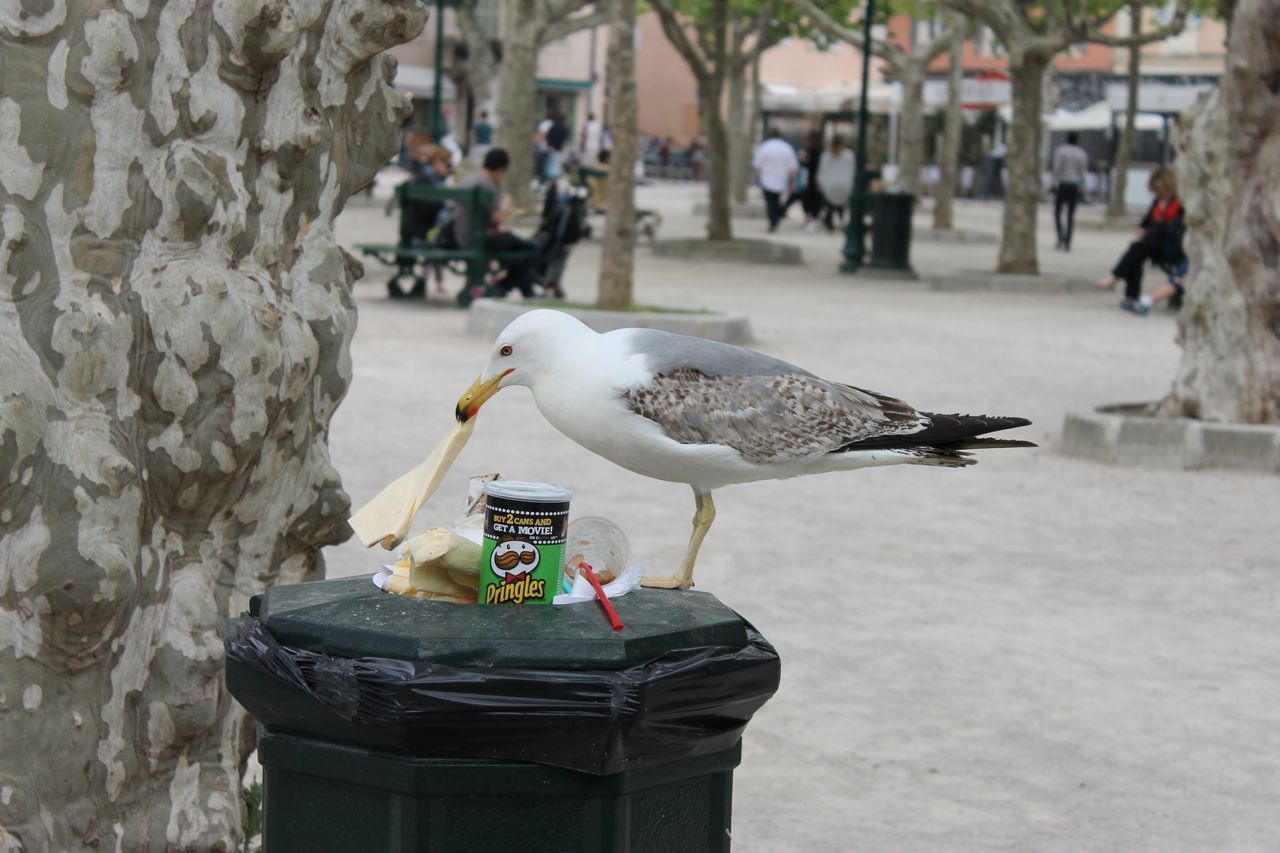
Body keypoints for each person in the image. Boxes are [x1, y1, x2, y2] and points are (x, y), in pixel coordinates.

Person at [447, 148, 538, 298]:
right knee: (531, 249)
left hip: (461, 234)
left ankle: (526, 289)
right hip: (478, 239)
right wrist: (507, 205)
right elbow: (497, 217)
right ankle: (503, 286)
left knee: (517, 247)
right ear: (500, 169)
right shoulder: (487, 185)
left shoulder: (468, 179)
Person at [1095, 166, 1186, 315]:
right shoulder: (1158, 202)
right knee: (1137, 251)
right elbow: (1146, 222)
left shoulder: (1180, 203)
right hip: (1154, 244)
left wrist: (1154, 228)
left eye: (1160, 189)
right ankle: (1129, 294)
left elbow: (1177, 227)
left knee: (1137, 249)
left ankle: (1117, 279)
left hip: (1172, 245)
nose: (1158, 192)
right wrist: (1144, 229)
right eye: (1155, 189)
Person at [752, 128, 799, 233]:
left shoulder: (764, 147)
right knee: (777, 201)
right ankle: (775, 219)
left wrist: (757, 179)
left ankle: (773, 221)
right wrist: (793, 181)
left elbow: (757, 165)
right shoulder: (787, 148)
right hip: (781, 180)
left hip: (767, 179)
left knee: (770, 202)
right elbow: (793, 168)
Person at [1051, 131, 1089, 251]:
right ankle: (1068, 240)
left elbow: (1056, 168)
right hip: (1074, 185)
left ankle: (1060, 236)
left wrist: (1053, 183)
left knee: (1057, 212)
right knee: (1071, 214)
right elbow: (1083, 172)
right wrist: (1083, 187)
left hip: (1062, 184)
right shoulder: (1082, 153)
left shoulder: (1060, 151)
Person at [782, 129, 825, 231]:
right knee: (814, 199)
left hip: (809, 178)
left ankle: (810, 218)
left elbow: (804, 164)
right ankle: (814, 217)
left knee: (807, 198)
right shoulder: (822, 151)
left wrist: (803, 162)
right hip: (819, 178)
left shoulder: (808, 151)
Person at [816, 134, 855, 232]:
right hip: (845, 183)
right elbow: (853, 170)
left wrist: (819, 182)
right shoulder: (849, 155)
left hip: (829, 183)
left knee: (830, 205)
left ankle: (830, 222)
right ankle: (841, 220)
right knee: (842, 204)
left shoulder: (826, 155)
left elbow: (822, 170)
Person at [543, 112, 569, 181]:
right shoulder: (564, 128)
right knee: (557, 164)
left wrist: (550, 145)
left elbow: (548, 137)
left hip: (552, 148)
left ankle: (550, 179)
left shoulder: (553, 127)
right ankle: (555, 179)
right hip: (559, 148)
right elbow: (564, 139)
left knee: (551, 164)